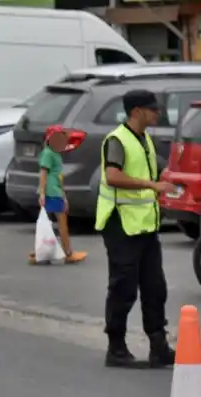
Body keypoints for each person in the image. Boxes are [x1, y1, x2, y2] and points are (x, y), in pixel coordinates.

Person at [97, 88, 175, 369]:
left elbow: (151, 172)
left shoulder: (145, 140)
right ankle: (115, 347)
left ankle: (159, 346)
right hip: (120, 224)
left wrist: (164, 180)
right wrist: (151, 185)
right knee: (123, 288)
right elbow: (113, 175)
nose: (157, 113)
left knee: (155, 287)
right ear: (136, 111)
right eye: (152, 109)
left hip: (144, 226)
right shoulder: (117, 139)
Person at [35, 125, 86, 264]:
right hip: (52, 192)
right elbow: (43, 173)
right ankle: (68, 253)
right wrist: (42, 193)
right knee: (61, 223)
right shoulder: (48, 153)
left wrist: (64, 196)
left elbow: (59, 177)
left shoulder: (55, 154)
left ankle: (39, 251)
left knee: (47, 222)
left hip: (56, 191)